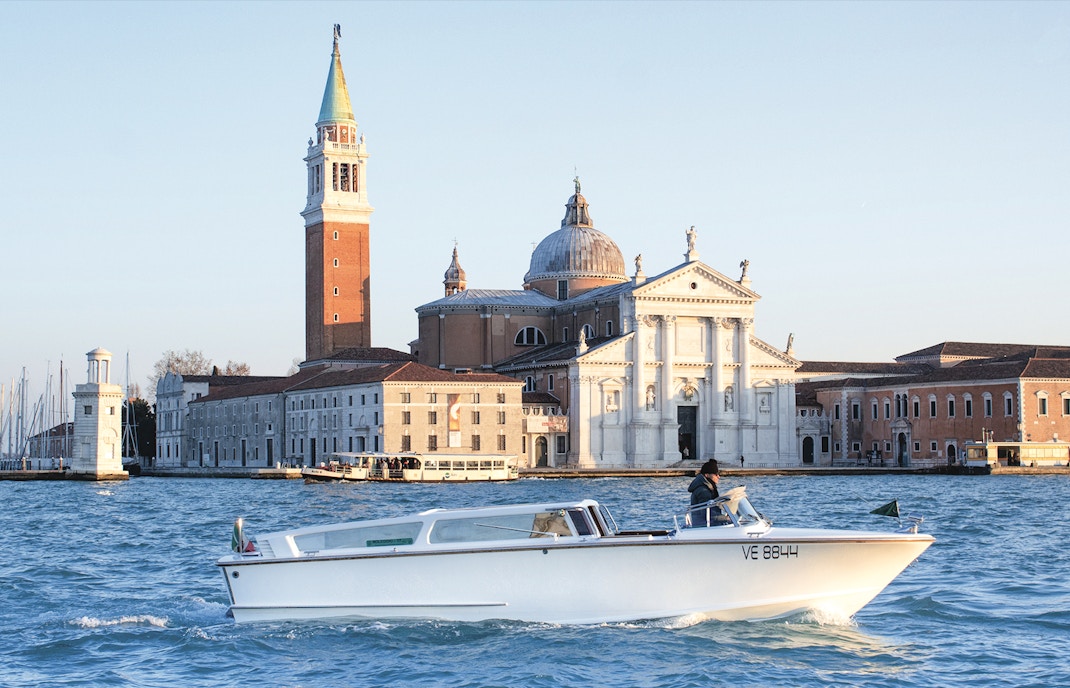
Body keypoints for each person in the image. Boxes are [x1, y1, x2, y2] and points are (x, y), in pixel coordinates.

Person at [687, 459, 720, 526]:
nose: (718, 477)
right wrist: (726, 518)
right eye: (716, 474)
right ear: (707, 475)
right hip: (704, 526)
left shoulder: (706, 487)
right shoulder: (703, 491)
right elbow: (706, 514)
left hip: (704, 524)